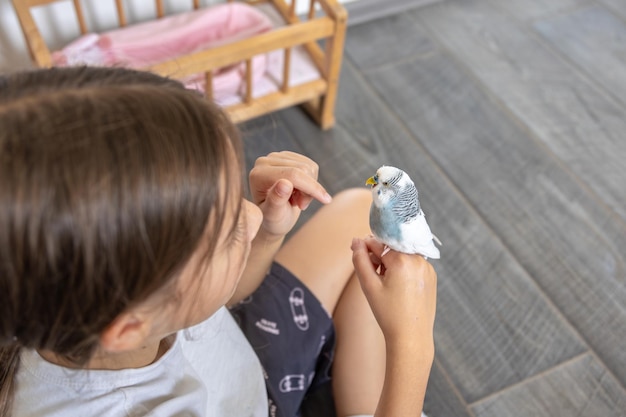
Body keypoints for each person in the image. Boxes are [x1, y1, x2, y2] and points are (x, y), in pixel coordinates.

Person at [0, 66, 437, 417]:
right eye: (228, 230)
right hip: (250, 398)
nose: (251, 210)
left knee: (360, 208)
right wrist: (412, 346)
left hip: (234, 365)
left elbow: (205, 308)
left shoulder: (81, 301)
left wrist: (266, 231)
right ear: (130, 327)